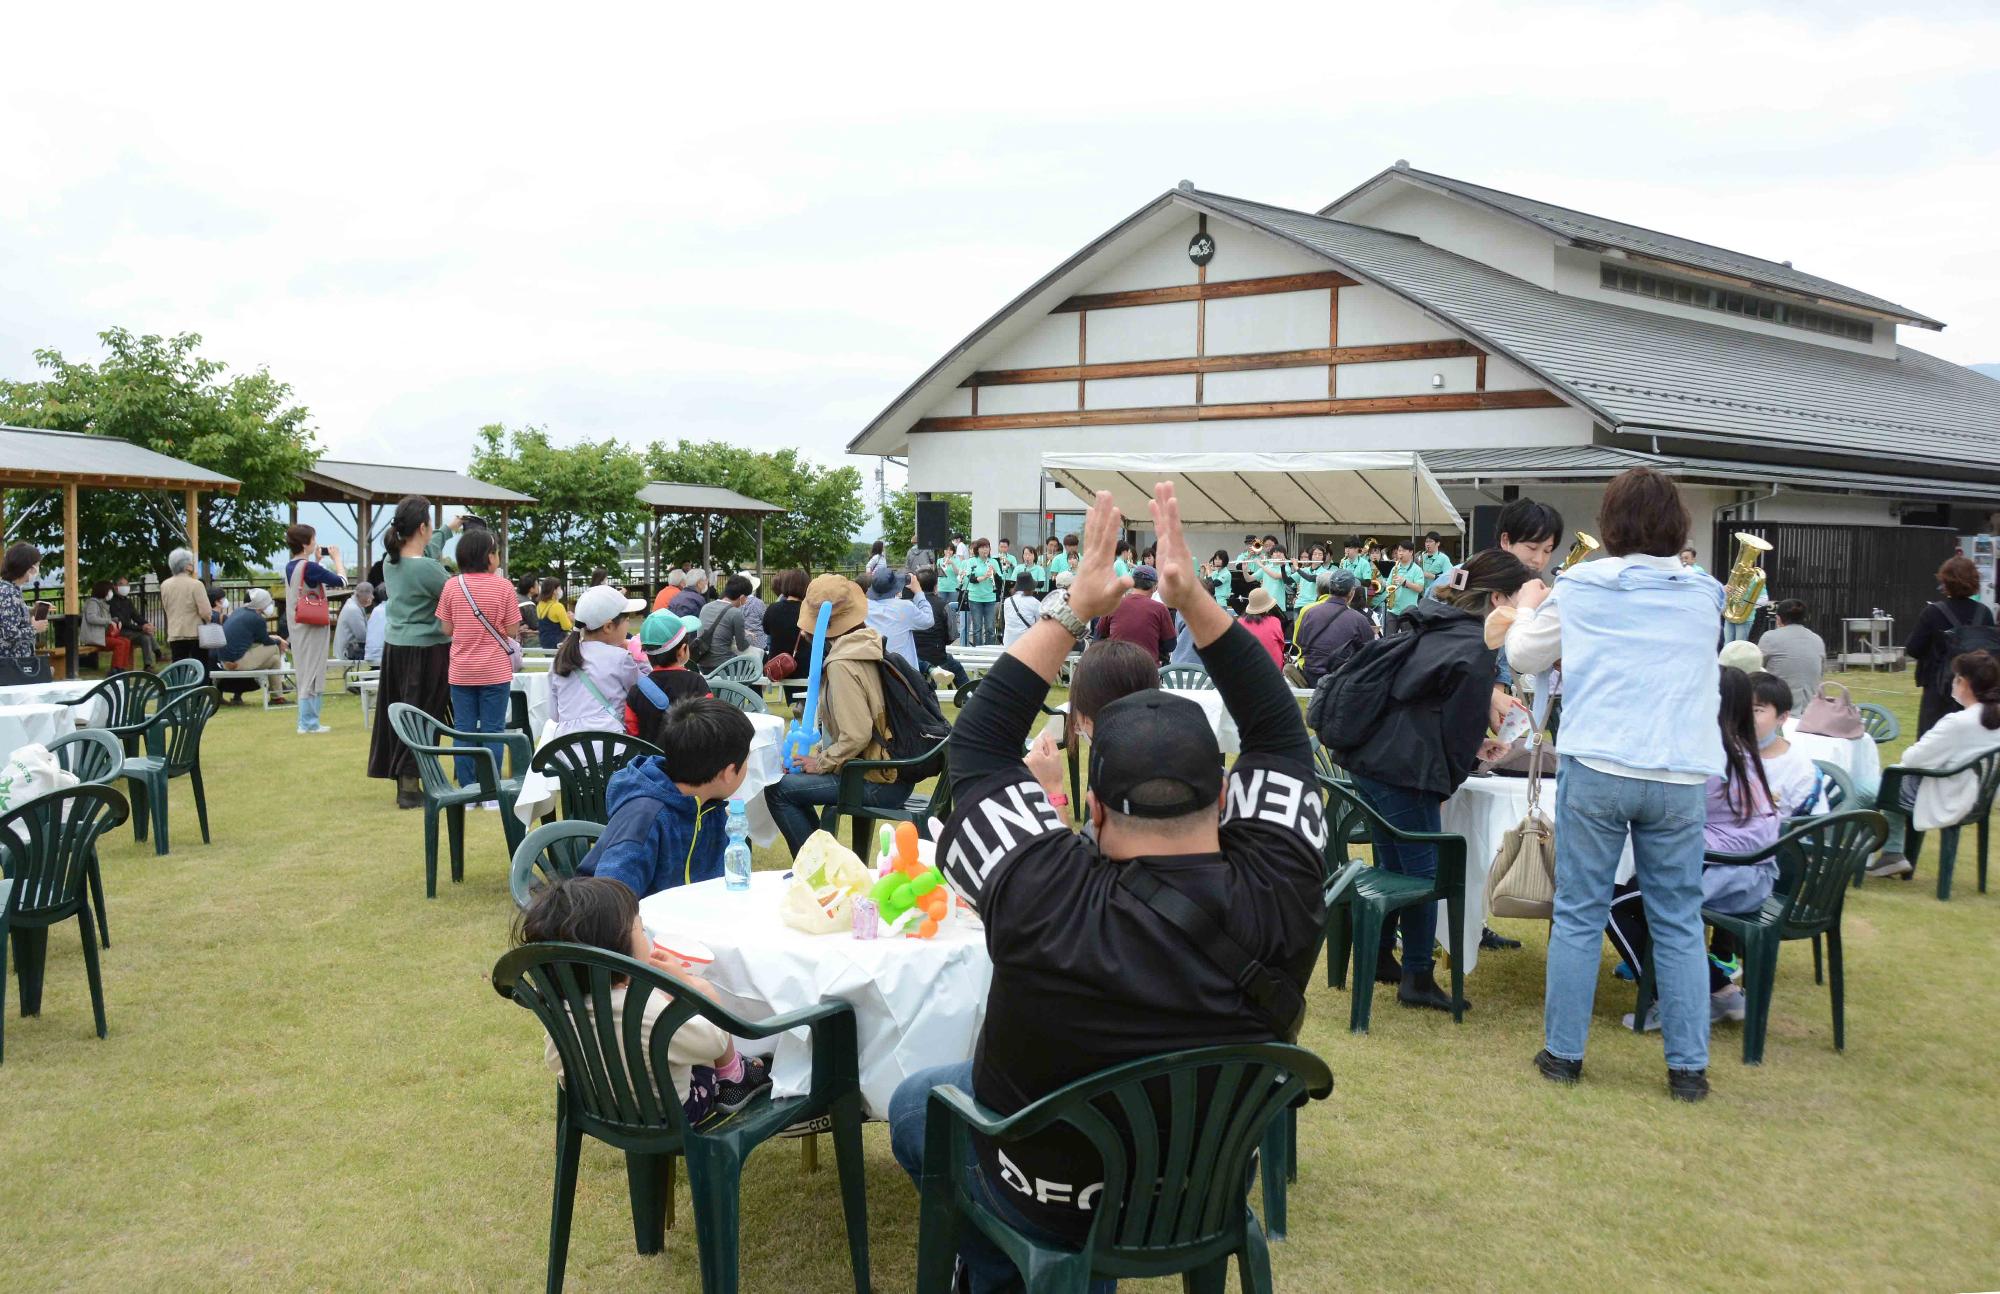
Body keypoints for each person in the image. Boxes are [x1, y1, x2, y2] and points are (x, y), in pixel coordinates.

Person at [891, 484, 1326, 1289]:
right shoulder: (1284, 884)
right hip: (1203, 1180)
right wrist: (1193, 601)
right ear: (1226, 796)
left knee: (919, 1104)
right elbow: (1280, 734)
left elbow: (977, 751)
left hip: (1046, 1193)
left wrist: (1069, 605)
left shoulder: (1045, 895)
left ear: (1091, 808)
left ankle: (993, 1271)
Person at [1502, 466, 1725, 1101]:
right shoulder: (1704, 592)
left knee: (1578, 912)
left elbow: (1523, 657)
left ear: (1610, 522)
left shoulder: (1580, 586)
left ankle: (1563, 1055)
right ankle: (1687, 1069)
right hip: (1679, 770)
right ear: (1678, 525)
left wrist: (1526, 608)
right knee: (1679, 917)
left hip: (1599, 762)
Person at [1332, 551, 1531, 1011]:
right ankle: (1417, 977)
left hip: (1375, 758)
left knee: (1392, 864)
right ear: (1498, 598)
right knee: (1424, 874)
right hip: (1404, 768)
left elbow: (1426, 705)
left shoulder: (1432, 622)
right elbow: (1457, 726)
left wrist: (1467, 749)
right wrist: (1468, 757)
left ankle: (1384, 957)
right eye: (1519, 600)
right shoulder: (1476, 645)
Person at [515, 875, 770, 1128]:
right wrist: (689, 988)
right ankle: (733, 1078)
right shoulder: (649, 1011)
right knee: (701, 991)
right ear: (618, 948)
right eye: (640, 929)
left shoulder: (559, 1009)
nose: (645, 935)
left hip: (602, 1107)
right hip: (671, 1114)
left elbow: (556, 1063)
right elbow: (714, 1041)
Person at [1607, 665, 1777, 1030]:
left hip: (1726, 873)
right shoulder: (1740, 749)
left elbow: (1661, 814)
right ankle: (1721, 992)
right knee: (1641, 896)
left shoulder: (1709, 757)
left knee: (1612, 905)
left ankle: (1669, 1000)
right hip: (1749, 873)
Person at [761, 574, 909, 854]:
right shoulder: (867, 645)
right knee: (792, 785)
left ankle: (818, 866)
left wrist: (822, 762)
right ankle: (823, 860)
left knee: (779, 790)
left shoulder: (843, 663)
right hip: (889, 772)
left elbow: (857, 733)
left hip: (875, 778)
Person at [580, 696, 754, 897]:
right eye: (746, 760)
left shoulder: (710, 809)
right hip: (631, 923)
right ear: (729, 772)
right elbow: (609, 901)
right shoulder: (645, 817)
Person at [1868, 650, 2000, 880]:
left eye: (1956, 678)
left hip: (1950, 794)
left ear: (1965, 683)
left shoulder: (1958, 722)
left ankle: (1887, 851)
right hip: (1981, 796)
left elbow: (1913, 758)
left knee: (1889, 780)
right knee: (1897, 777)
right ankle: (1893, 851)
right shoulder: (1990, 718)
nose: (1953, 683)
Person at [368, 497, 462, 809]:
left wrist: (448, 530)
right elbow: (456, 593)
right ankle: (410, 786)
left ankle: (406, 781)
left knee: (401, 714)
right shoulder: (427, 570)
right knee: (423, 715)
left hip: (396, 649)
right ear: (422, 527)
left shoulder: (390, 562)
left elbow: (427, 555)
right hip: (426, 651)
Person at [434, 527, 520, 795]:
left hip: (461, 671)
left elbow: (445, 629)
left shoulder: (451, 585)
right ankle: (491, 789)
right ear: (489, 557)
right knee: (493, 730)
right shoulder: (504, 586)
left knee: (464, 730)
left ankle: (468, 789)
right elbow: (513, 629)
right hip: (495, 671)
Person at [1905, 556, 1995, 737]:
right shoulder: (1984, 613)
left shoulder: (1932, 613)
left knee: (1933, 740)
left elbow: (1913, 649)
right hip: (1975, 691)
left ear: (1945, 581)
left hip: (1939, 691)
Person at [550, 584, 648, 737]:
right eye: (627, 619)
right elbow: (647, 692)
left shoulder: (561, 658)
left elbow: (554, 715)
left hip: (566, 754)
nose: (629, 624)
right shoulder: (620, 658)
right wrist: (639, 657)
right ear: (608, 626)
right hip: (613, 751)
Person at [283, 523, 348, 735]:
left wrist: (318, 561)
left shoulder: (292, 565)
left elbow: (306, 582)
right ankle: (309, 722)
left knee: (305, 670)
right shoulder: (309, 568)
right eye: (313, 539)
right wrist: (337, 559)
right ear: (305, 544)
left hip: (298, 625)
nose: (316, 542)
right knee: (312, 672)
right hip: (312, 627)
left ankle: (308, 720)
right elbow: (341, 581)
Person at [1747, 670, 1823, 818]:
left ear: (1782, 717)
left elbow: (1813, 825)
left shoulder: (1798, 766)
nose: (1745, 717)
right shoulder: (1726, 753)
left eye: (1757, 710)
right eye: (1740, 708)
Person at [626, 611, 711, 737]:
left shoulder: (636, 690)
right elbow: (709, 722)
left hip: (650, 756)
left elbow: (632, 731)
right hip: (690, 755)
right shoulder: (697, 682)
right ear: (682, 651)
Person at [1294, 570, 1375, 686]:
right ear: (1351, 592)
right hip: (1342, 682)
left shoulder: (1309, 613)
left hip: (1312, 677)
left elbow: (1299, 642)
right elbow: (1369, 654)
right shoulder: (1359, 620)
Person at [217, 588, 292, 704]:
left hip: (225, 661)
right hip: (237, 661)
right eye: (268, 602)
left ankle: (277, 697)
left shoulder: (239, 611)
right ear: (261, 604)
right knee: (274, 648)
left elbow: (257, 639)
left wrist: (276, 640)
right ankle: (279, 688)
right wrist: (279, 642)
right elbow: (266, 641)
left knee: (275, 660)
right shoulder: (257, 619)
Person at [1756, 599, 1825, 713]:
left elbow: (1757, 670)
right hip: (1811, 713)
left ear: (1778, 619)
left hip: (1778, 710)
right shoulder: (1817, 640)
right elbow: (1820, 674)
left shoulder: (1770, 637)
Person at [1096, 564, 1175, 663]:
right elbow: (1170, 645)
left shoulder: (1114, 604)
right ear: (1155, 587)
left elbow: (1098, 636)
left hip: (1115, 668)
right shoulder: (1160, 609)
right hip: (1147, 669)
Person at [861, 565, 934, 668]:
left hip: (874, 669)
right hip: (903, 671)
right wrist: (918, 592)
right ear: (895, 587)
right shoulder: (905, 607)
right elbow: (929, 620)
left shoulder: (863, 606)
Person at [911, 567, 966, 688]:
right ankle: (968, 697)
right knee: (957, 668)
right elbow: (952, 635)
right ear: (935, 585)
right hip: (938, 657)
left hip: (914, 658)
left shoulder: (908, 605)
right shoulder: (943, 605)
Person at [694, 574, 756, 672]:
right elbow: (742, 646)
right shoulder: (735, 613)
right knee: (754, 667)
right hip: (724, 666)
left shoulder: (706, 607)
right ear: (742, 597)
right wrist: (749, 637)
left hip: (702, 665)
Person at [0, 543, 48, 666]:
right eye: (37, 565)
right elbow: (9, 633)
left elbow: (11, 615)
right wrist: (34, 628)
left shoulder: (8, 588)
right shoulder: (9, 592)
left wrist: (32, 610)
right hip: (10, 664)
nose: (37, 569)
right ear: (28, 568)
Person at [108, 577, 161, 669]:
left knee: (146, 636)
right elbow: (122, 622)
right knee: (145, 635)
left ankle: (149, 663)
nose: (125, 587)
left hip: (131, 631)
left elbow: (136, 616)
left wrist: (147, 624)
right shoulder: (112, 603)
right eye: (122, 584)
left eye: (127, 584)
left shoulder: (127, 601)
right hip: (120, 632)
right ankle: (156, 654)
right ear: (115, 587)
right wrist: (141, 628)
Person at [762, 568, 808, 663]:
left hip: (776, 668)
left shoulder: (772, 608)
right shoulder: (808, 611)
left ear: (785, 585)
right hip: (803, 669)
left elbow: (766, 630)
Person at [963, 539, 999, 647]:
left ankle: (989, 651)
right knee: (977, 628)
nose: (985, 550)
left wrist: (995, 573)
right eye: (982, 547)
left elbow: (1000, 581)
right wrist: (984, 577)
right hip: (975, 598)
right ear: (977, 549)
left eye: (987, 547)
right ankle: (977, 651)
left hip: (990, 598)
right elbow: (971, 578)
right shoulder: (971, 561)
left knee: (990, 628)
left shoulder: (993, 562)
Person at [1384, 540, 1427, 632]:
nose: (1400, 553)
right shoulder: (1394, 568)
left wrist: (1405, 582)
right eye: (1399, 551)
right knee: (1388, 640)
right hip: (1393, 610)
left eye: (1403, 551)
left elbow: (1420, 588)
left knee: (1407, 640)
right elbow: (1388, 585)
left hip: (1408, 612)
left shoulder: (1417, 570)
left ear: (1411, 552)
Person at [1239, 587, 1286, 668]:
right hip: (1274, 667)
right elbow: (1282, 645)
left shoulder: (1240, 622)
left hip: (1247, 667)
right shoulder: (1274, 621)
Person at [334, 581, 374, 663]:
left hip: (351, 648)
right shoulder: (353, 609)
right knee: (379, 652)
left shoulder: (353, 604)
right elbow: (362, 637)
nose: (372, 597)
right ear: (364, 595)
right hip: (348, 652)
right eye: (371, 594)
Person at [998, 571, 1041, 647]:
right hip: (1027, 643)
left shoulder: (1008, 601)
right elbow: (1040, 624)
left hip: (1009, 642)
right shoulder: (1035, 603)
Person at [80, 581, 116, 671]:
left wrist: (114, 621)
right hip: (95, 637)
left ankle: (120, 667)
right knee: (121, 643)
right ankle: (116, 668)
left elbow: (105, 619)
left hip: (101, 636)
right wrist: (108, 621)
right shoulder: (93, 603)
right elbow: (91, 618)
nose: (111, 593)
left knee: (125, 641)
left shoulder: (102, 603)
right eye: (109, 590)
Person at [535, 578, 573, 651]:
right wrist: (570, 618)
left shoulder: (539, 605)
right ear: (554, 591)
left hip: (544, 642)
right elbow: (566, 627)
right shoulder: (558, 606)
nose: (561, 590)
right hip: (558, 642)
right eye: (559, 588)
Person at [740, 574, 769, 652]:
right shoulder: (759, 603)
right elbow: (766, 621)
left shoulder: (736, 603)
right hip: (759, 643)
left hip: (741, 642)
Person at [514, 575, 542, 643]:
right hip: (523, 639)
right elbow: (535, 625)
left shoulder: (515, 597)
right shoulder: (528, 604)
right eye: (537, 585)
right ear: (531, 589)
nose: (539, 587)